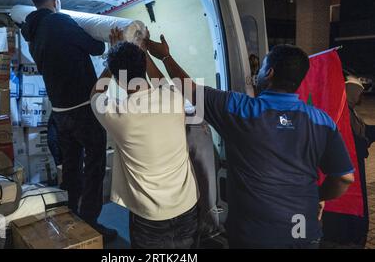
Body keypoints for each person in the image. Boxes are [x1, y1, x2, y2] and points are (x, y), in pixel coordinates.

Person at [146, 35, 356, 249]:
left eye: (262, 68)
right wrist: (317, 197)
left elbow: (189, 89)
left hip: (254, 235)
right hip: (302, 230)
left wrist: (165, 56)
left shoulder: (239, 109)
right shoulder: (322, 121)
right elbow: (344, 178)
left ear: (270, 72)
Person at [21, 0, 117, 241]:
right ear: (55, 0)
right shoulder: (59, 21)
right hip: (83, 108)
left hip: (60, 112)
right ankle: (90, 220)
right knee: (95, 163)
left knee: (72, 165)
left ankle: (72, 212)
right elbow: (96, 47)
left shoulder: (31, 32)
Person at [90, 29, 200, 249]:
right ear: (143, 66)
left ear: (118, 79)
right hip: (188, 204)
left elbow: (95, 93)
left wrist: (112, 61)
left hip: (150, 216)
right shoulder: (174, 96)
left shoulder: (117, 115)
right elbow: (158, 79)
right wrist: (144, 51)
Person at [322, 77, 375, 246]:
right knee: (348, 199)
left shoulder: (350, 111)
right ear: (353, 94)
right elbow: (353, 140)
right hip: (349, 166)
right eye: (360, 94)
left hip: (354, 165)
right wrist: (364, 141)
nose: (362, 98)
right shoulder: (343, 114)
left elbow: (364, 130)